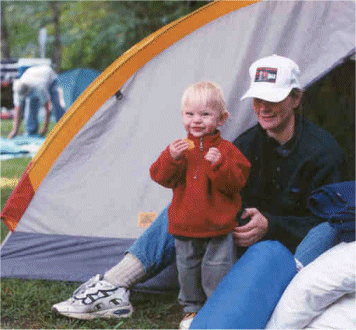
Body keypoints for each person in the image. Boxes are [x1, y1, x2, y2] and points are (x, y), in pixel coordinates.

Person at [52, 55, 347, 327]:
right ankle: (113, 284)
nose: (264, 107)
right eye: (258, 98)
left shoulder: (324, 153)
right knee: (187, 204)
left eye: (273, 98)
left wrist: (272, 225)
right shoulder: (244, 145)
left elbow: (330, 224)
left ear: (295, 99)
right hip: (233, 240)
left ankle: (237, 307)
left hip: (289, 249)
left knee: (315, 233)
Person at [149, 81, 250, 324]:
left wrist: (220, 165)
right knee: (188, 271)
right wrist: (170, 158)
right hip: (184, 228)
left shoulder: (228, 151)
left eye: (205, 114)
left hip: (218, 230)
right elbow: (160, 177)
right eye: (190, 113)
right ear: (182, 115)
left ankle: (217, 310)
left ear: (222, 118)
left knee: (218, 270)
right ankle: (192, 309)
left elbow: (237, 183)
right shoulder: (178, 149)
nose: (196, 120)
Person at [8, 64, 65, 139]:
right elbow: (18, 110)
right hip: (33, 75)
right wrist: (15, 130)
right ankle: (31, 133)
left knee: (58, 107)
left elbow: (47, 108)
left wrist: (45, 128)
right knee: (30, 106)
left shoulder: (39, 88)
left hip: (50, 77)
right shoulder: (17, 89)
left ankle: (64, 129)